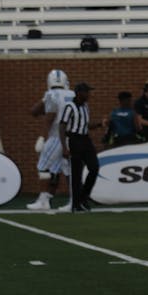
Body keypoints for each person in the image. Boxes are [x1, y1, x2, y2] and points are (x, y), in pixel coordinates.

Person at [27, 69, 76, 211]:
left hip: (56, 136)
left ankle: (44, 200)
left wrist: (42, 137)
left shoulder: (51, 94)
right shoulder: (73, 94)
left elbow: (47, 116)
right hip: (73, 136)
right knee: (69, 170)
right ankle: (74, 200)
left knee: (43, 167)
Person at [60, 82, 106, 212]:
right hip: (74, 139)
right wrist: (64, 146)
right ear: (79, 93)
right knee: (76, 173)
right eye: (86, 92)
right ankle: (76, 204)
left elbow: (85, 125)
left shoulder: (85, 106)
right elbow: (62, 126)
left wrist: (99, 124)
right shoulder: (69, 106)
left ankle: (83, 197)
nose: (89, 94)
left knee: (94, 167)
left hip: (85, 139)